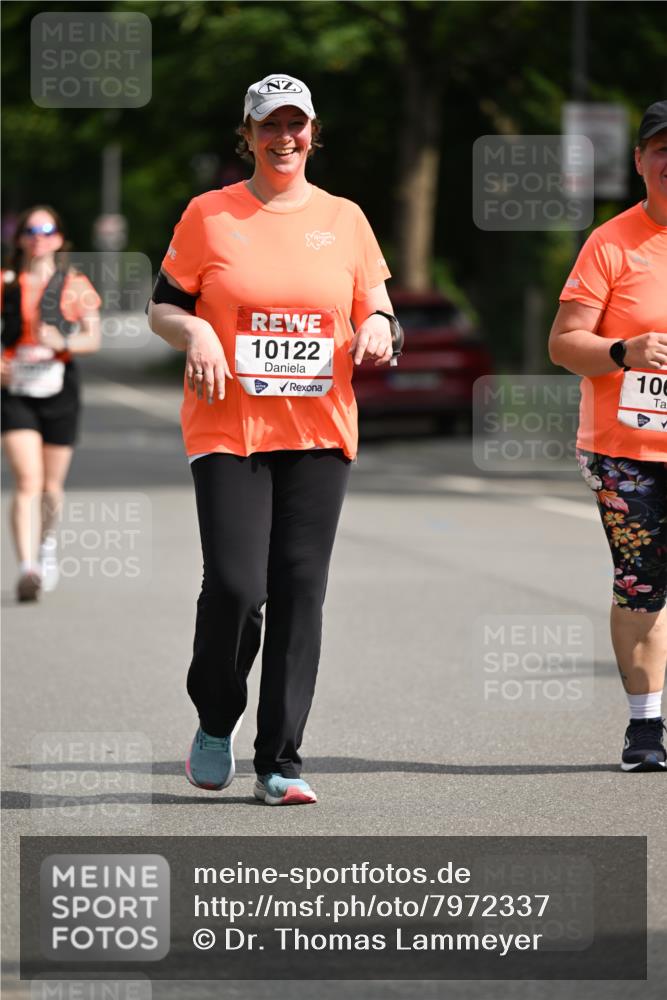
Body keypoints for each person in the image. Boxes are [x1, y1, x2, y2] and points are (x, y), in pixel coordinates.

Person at [148, 74, 401, 805]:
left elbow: (375, 303)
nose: (282, 136)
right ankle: (215, 713)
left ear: (313, 132)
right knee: (235, 586)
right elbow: (165, 306)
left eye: (296, 123)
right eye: (268, 124)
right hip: (226, 426)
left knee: (300, 591)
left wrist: (381, 326)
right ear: (248, 133)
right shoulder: (209, 214)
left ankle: (280, 760)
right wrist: (194, 328)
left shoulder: (345, 218)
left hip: (319, 431)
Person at [549, 100, 667, 772]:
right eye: (660, 148)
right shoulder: (610, 243)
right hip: (626, 452)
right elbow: (564, 344)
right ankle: (643, 730)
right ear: (639, 162)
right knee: (642, 585)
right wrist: (623, 351)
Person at [1, 206, 101, 601]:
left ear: (59, 237)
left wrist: (62, 342)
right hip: (14, 391)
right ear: (21, 238)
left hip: (59, 388)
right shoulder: (7, 283)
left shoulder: (75, 284)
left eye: (46, 229)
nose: (38, 236)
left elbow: (92, 340)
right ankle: (27, 568)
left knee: (51, 487)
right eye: (30, 229)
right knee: (27, 480)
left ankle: (44, 547)